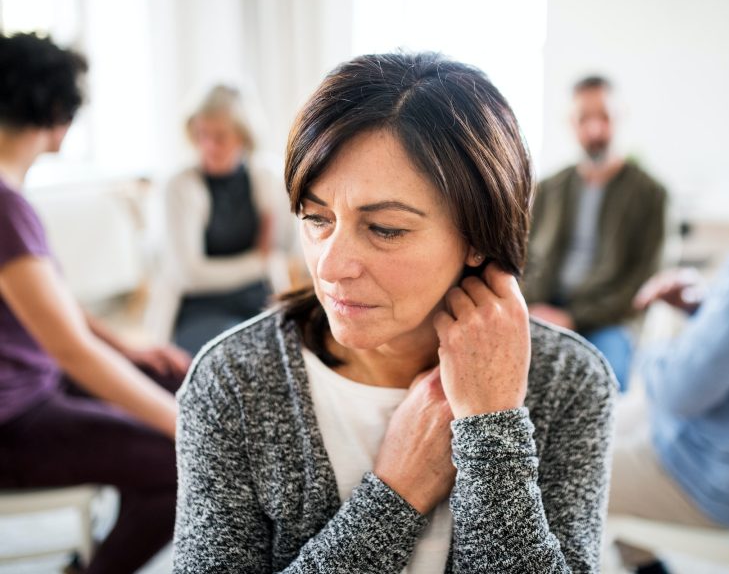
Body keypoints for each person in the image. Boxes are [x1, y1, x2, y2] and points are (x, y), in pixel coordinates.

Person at [173, 52, 616, 573]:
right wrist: (396, 493)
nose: (331, 266)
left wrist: (491, 427)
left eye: (385, 229)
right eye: (317, 218)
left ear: (479, 235)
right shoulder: (234, 380)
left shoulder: (570, 380)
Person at [0, 33, 190, 574]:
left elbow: (52, 308)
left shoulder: (9, 197)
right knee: (186, 461)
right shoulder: (4, 205)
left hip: (34, 384)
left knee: (181, 383)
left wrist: (128, 345)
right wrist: (180, 427)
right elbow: (71, 350)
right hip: (13, 419)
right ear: (58, 112)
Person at [608, 66, 729, 573]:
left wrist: (656, 336)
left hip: (711, 477)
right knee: (603, 421)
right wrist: (707, 307)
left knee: (556, 464)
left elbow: (677, 393)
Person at [521, 75, 667, 390]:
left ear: (621, 116)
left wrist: (573, 318)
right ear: (570, 123)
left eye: (604, 117)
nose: (595, 130)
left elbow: (641, 283)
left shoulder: (650, 194)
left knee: (603, 383)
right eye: (583, 118)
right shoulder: (549, 189)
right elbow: (525, 259)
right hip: (544, 307)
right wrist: (531, 308)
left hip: (608, 321)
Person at [159, 85, 277, 355]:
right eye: (201, 135)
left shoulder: (267, 179)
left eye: (220, 137)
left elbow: (286, 251)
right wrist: (259, 262)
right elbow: (190, 274)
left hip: (258, 299)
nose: (208, 146)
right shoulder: (179, 186)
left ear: (243, 137)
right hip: (201, 306)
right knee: (233, 355)